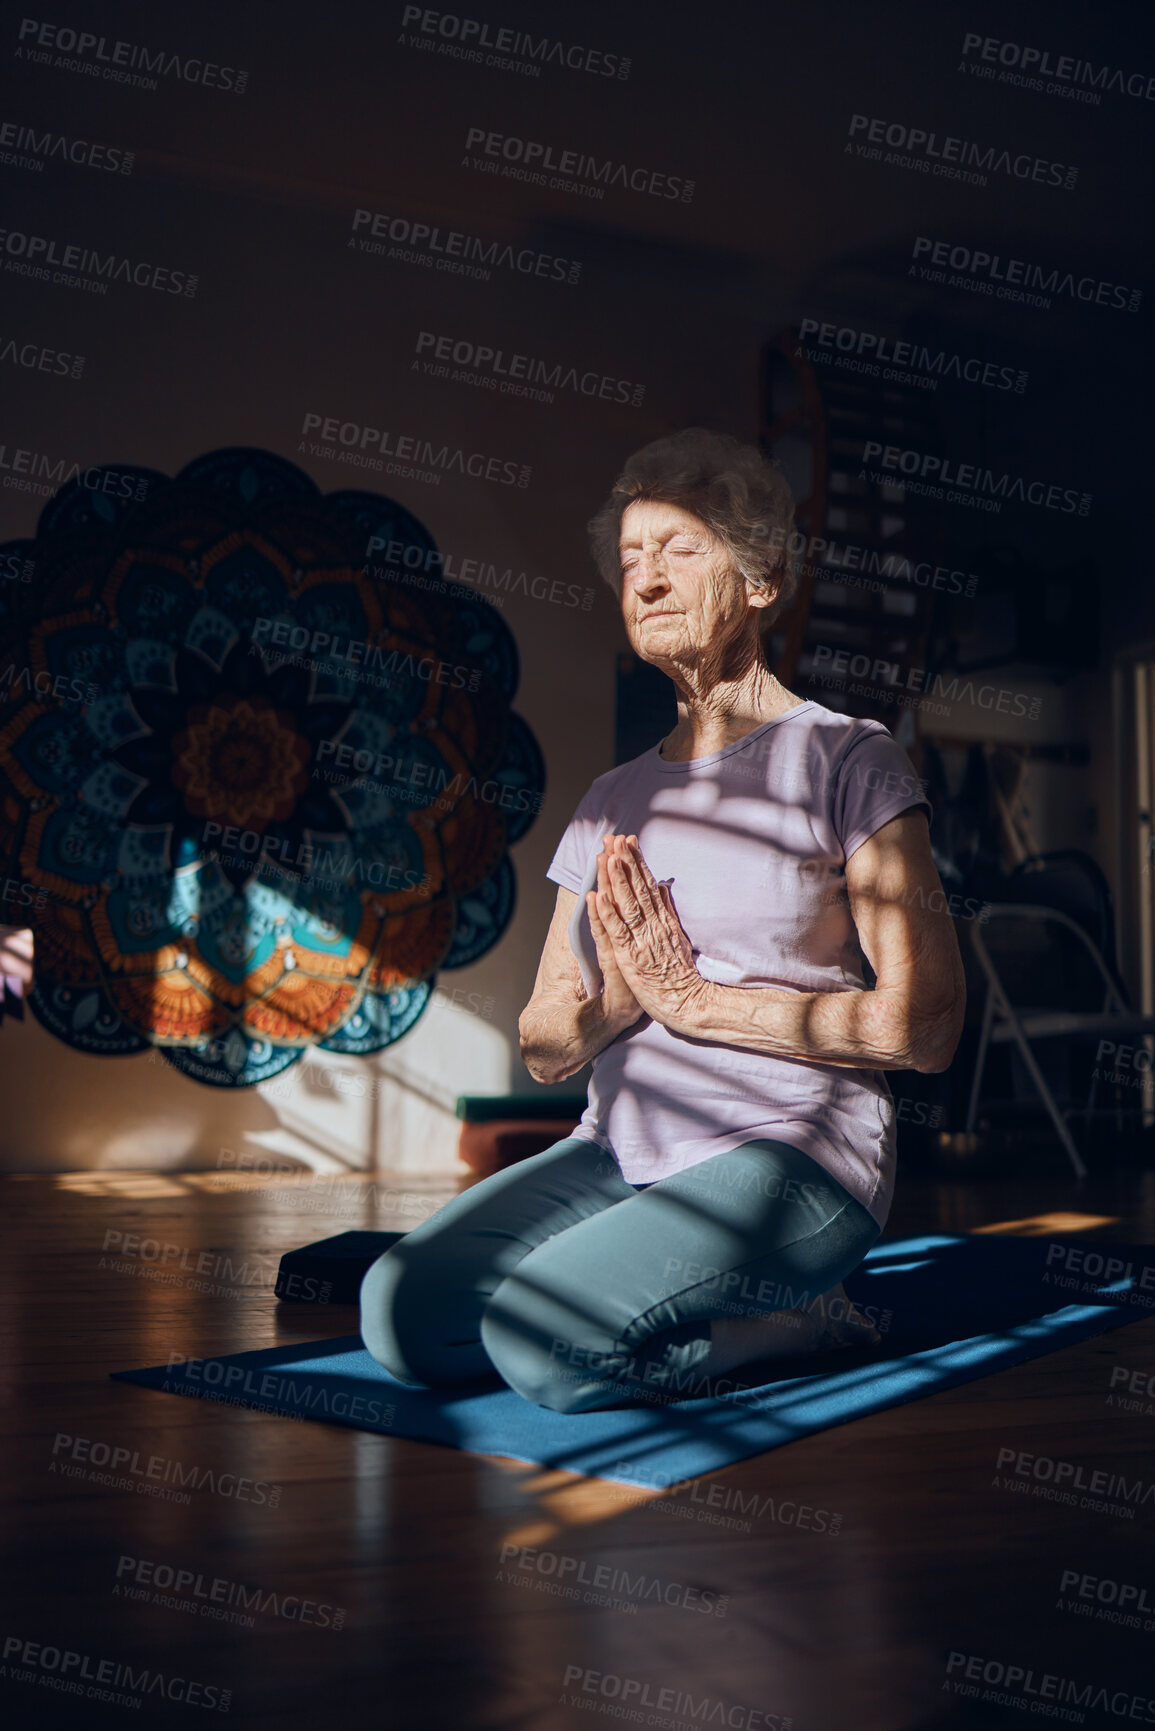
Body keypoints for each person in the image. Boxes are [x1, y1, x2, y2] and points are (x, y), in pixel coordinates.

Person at [361, 428, 966, 1412]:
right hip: (619, 1152)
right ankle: (645, 1288)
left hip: (791, 1157)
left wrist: (695, 1001)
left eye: (679, 549)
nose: (645, 580)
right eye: (631, 560)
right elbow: (545, 1043)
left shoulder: (850, 761)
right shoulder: (610, 798)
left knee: (541, 1342)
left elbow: (926, 1028)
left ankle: (801, 1318)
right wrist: (619, 1006)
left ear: (763, 579)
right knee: (402, 1314)